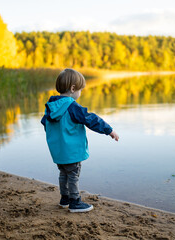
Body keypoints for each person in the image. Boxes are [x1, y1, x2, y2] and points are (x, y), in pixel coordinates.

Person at [41, 68, 119, 213]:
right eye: (80, 90)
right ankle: (75, 202)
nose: (80, 93)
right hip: (72, 151)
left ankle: (64, 198)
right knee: (73, 175)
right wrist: (109, 130)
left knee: (63, 174)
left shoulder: (50, 107)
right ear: (72, 89)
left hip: (58, 151)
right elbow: (90, 119)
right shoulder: (71, 106)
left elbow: (45, 124)